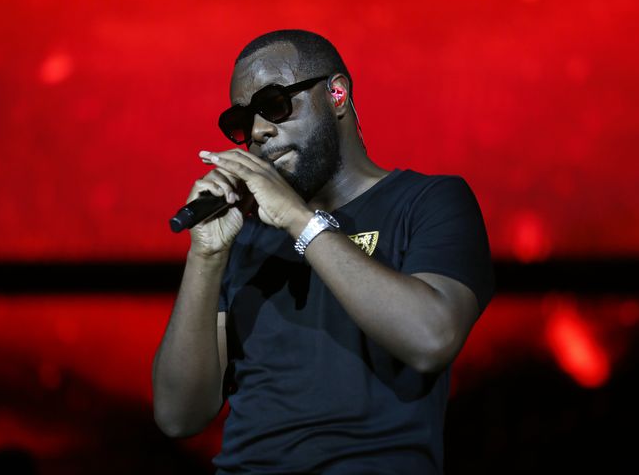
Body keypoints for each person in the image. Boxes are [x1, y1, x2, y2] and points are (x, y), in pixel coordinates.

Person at [153, 29, 494, 474]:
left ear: (337, 94)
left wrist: (301, 221)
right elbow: (178, 415)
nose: (258, 131)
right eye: (241, 122)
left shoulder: (429, 202)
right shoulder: (245, 238)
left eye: (274, 104)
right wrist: (208, 255)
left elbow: (431, 338)